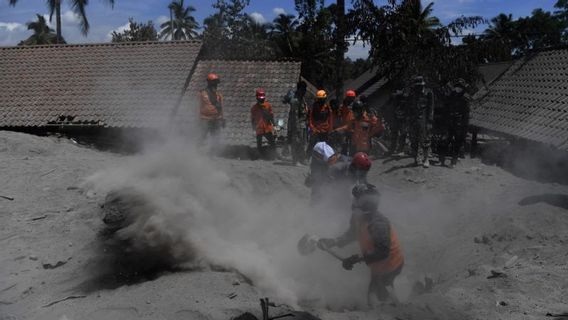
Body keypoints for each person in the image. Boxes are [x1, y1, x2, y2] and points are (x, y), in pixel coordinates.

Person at [318, 184, 404, 306]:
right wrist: (334, 242)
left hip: (391, 264)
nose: (353, 201)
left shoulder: (378, 223)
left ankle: (399, 310)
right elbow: (352, 234)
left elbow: (382, 252)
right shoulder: (358, 215)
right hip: (377, 263)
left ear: (366, 202)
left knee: (378, 295)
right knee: (377, 294)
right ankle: (393, 306)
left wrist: (356, 259)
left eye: (356, 198)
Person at [440, 79, 470, 168]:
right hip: (449, 122)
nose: (458, 88)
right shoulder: (451, 95)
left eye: (460, 87)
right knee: (445, 140)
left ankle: (453, 162)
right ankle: (441, 159)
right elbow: (446, 106)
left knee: (457, 143)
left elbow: (466, 114)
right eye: (457, 86)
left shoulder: (465, 98)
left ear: (463, 88)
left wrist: (465, 127)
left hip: (459, 124)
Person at [407, 76, 434, 168]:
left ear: (423, 84)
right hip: (414, 120)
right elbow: (410, 108)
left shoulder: (428, 93)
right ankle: (416, 159)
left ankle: (426, 159)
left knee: (425, 140)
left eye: (420, 85)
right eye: (417, 85)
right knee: (414, 140)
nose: (418, 87)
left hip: (424, 120)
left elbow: (431, 108)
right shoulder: (413, 93)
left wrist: (429, 122)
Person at [284, 81, 309, 165]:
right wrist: (297, 128)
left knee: (302, 143)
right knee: (296, 142)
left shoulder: (302, 98)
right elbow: (295, 116)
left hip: (303, 125)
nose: (305, 91)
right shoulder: (295, 100)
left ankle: (301, 159)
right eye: (304, 89)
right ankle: (295, 160)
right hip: (297, 125)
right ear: (300, 89)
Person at [250, 88, 276, 158]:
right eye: (260, 98)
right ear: (257, 98)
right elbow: (252, 119)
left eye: (262, 98)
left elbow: (271, 116)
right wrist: (253, 129)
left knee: (272, 142)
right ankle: (260, 156)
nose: (261, 100)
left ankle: (274, 155)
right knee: (259, 144)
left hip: (267, 127)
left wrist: (274, 125)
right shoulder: (254, 108)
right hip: (259, 128)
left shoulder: (268, 105)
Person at [199, 73, 224, 141]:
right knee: (202, 137)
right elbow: (197, 106)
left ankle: (214, 150)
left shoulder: (219, 94)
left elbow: (221, 108)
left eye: (216, 83)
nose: (215, 85)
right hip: (205, 120)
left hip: (216, 120)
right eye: (214, 83)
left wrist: (222, 119)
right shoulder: (202, 93)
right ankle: (199, 150)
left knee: (216, 139)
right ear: (209, 83)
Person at [307, 90, 333, 156]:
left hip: (325, 129)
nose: (321, 101)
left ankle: (325, 158)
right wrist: (312, 127)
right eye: (319, 99)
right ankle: (307, 157)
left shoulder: (327, 107)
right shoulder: (314, 107)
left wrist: (330, 130)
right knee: (312, 143)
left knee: (325, 145)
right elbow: (310, 118)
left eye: (322, 99)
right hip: (316, 129)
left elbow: (330, 119)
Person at [388, 89, 409, 156]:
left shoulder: (406, 97)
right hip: (395, 117)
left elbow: (407, 108)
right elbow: (391, 107)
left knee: (403, 133)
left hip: (403, 118)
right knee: (394, 133)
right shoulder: (394, 97)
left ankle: (401, 149)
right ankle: (392, 149)